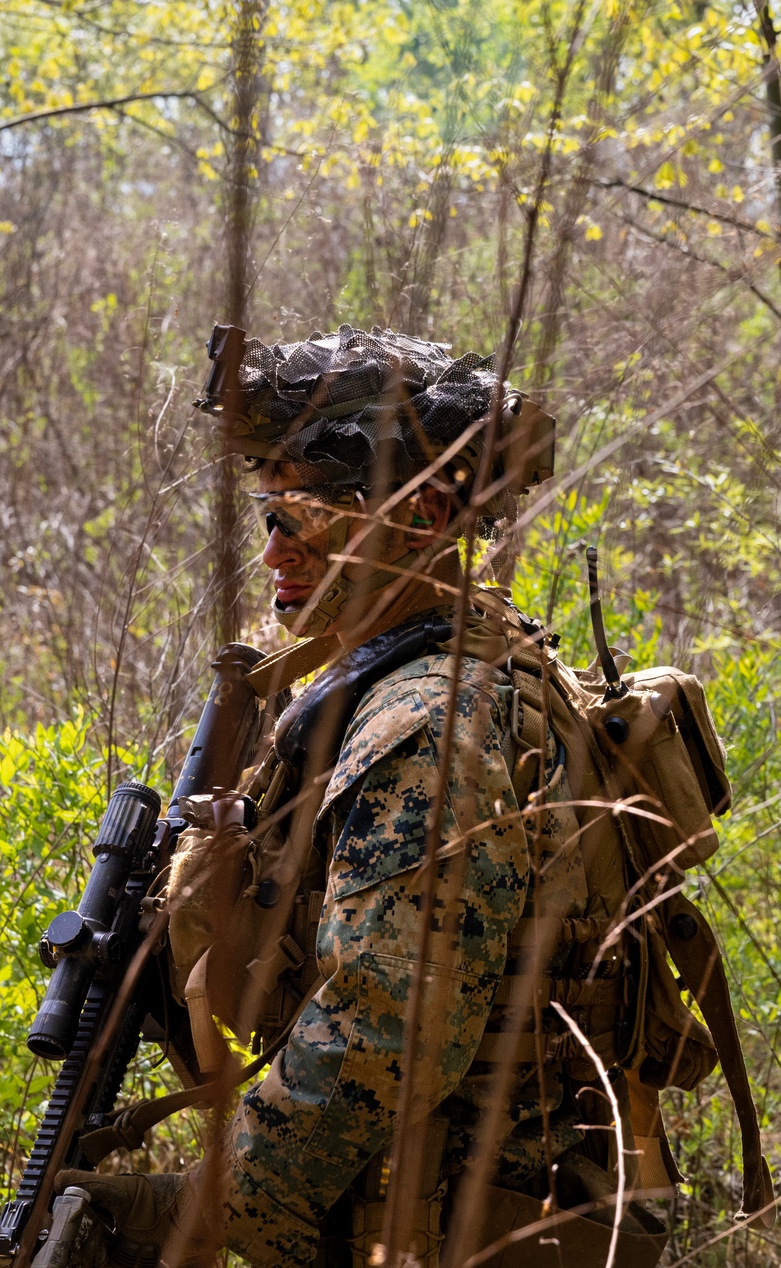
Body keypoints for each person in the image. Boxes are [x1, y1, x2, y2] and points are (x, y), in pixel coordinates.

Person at [56, 325, 662, 1267]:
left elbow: (388, 1024)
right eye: (267, 519)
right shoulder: (464, 654)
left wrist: (206, 1208)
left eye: (304, 519)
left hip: (469, 1228)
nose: (274, 556)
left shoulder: (424, 725)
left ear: (418, 520)